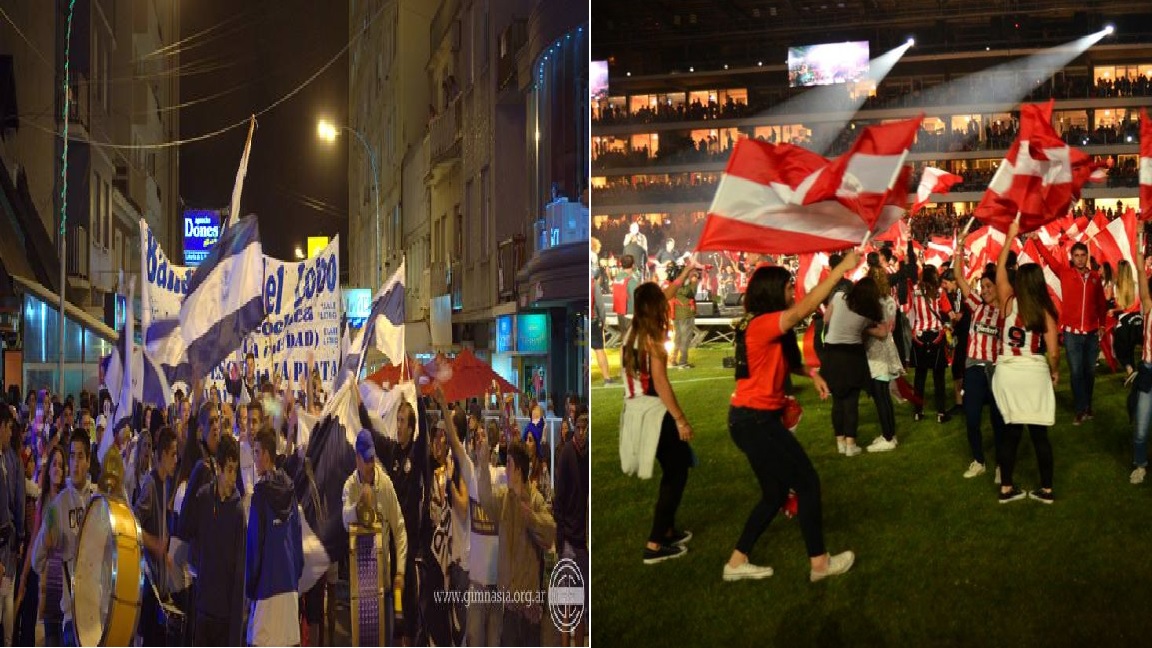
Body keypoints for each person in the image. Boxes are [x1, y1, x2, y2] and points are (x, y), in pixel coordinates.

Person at [723, 252, 858, 583]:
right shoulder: (761, 324)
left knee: (774, 494)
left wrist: (809, 372)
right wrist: (840, 269)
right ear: (774, 292)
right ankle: (820, 564)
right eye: (788, 288)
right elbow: (803, 309)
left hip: (748, 419)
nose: (792, 294)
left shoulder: (762, 327)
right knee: (808, 483)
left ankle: (736, 563)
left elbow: (773, 362)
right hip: (755, 421)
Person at [620, 281, 695, 564]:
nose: (666, 306)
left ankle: (666, 529)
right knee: (677, 471)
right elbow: (661, 382)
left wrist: (685, 273)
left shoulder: (631, 330)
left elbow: (661, 296)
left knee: (673, 468)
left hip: (634, 410)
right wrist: (680, 419)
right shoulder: (652, 335)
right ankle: (654, 543)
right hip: (652, 411)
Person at [992, 221, 1059, 504]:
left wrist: (1009, 238)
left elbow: (998, 268)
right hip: (1033, 371)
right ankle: (1046, 490)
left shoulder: (1007, 300)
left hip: (1007, 371)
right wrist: (1054, 373)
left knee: (1010, 434)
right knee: (1039, 435)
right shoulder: (1045, 312)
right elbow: (1054, 352)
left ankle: (1006, 488)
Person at [475, 435, 556, 646]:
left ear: (518, 469)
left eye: (509, 463)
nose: (505, 468)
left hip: (529, 610)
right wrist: (483, 463)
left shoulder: (536, 499)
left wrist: (530, 516)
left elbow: (550, 532)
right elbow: (485, 498)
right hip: (509, 610)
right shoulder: (504, 498)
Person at [341, 428, 407, 646]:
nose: (371, 465)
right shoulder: (350, 486)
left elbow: (399, 529)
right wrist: (359, 504)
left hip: (384, 587)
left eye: (373, 459)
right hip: (360, 590)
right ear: (357, 458)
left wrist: (400, 571)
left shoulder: (385, 484)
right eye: (366, 460)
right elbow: (344, 520)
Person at [31, 430, 96, 645]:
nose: (75, 463)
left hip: (100, 614)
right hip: (72, 617)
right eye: (72, 456)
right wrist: (46, 542)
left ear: (88, 461)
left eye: (80, 456)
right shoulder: (57, 506)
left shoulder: (99, 499)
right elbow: (36, 560)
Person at [181, 433, 246, 645]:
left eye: (235, 470)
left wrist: (236, 629)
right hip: (203, 609)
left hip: (225, 616)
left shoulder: (237, 511)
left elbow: (239, 572)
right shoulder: (203, 498)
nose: (232, 477)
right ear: (218, 468)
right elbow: (184, 528)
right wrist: (196, 474)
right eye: (228, 470)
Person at [1036, 239, 1107, 424]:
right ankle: (1080, 409)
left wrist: (1102, 324)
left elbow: (1101, 303)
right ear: (1072, 257)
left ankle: (1087, 405)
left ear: (1087, 257)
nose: (1080, 259)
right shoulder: (1065, 273)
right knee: (1076, 372)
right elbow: (1049, 259)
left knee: (1089, 372)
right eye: (1076, 256)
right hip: (1071, 333)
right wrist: (1036, 241)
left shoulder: (1094, 278)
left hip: (1091, 332)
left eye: (1083, 255)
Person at [245, 423, 303, 646]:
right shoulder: (291, 490)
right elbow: (297, 543)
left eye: (257, 452)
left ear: (267, 455)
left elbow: (254, 548)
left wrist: (250, 587)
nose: (255, 457)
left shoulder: (259, 496)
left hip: (266, 591)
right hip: (289, 589)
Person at [822, 275, 890, 456]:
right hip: (853, 355)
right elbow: (882, 332)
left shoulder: (838, 297)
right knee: (851, 401)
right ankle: (851, 445)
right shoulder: (868, 312)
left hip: (832, 353)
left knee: (837, 401)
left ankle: (840, 442)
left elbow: (826, 320)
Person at [953, 249, 1006, 481]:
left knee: (998, 420)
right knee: (972, 417)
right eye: (982, 287)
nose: (983, 291)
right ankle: (979, 460)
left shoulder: (1005, 311)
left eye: (988, 287)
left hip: (996, 370)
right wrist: (959, 251)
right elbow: (958, 276)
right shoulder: (976, 304)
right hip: (974, 368)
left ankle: (1001, 465)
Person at [132, 425, 178, 646]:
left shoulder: (165, 483)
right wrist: (154, 544)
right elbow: (133, 525)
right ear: (160, 457)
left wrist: (167, 552)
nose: (176, 460)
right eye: (172, 455)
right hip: (148, 586)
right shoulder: (150, 485)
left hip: (160, 585)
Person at [16, 444, 64, 646]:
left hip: (64, 584)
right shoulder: (43, 500)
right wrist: (25, 577)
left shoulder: (67, 500)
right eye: (54, 464)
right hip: (45, 580)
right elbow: (34, 539)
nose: (57, 469)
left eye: (61, 465)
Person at [553, 412, 589, 647]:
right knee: (568, 608)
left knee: (581, 609)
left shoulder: (586, 454)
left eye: (585, 427)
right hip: (568, 539)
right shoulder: (567, 453)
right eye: (579, 427)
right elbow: (560, 498)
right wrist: (562, 535)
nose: (582, 431)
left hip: (581, 540)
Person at [863, 266, 903, 453]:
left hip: (877, 351)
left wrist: (863, 329)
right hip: (887, 347)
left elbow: (881, 330)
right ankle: (890, 433)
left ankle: (888, 437)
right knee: (884, 395)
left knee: (881, 395)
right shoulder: (890, 300)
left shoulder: (875, 302)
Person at [909, 265, 953, 423]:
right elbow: (949, 312)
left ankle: (917, 412)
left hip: (919, 337)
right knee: (938, 376)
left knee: (919, 377)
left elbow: (908, 310)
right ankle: (941, 413)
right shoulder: (939, 291)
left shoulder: (914, 290)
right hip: (936, 336)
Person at [1128, 240, 1152, 484]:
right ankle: (1140, 464)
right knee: (1141, 425)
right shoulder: (1149, 306)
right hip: (1148, 371)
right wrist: (1138, 243)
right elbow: (1140, 273)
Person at [0, 407, 24, 645]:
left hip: (7, 544)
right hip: (4, 546)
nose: (10, 433)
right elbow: (16, 501)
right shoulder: (10, 459)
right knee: (4, 607)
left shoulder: (9, 459)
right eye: (8, 428)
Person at [670, 263, 701, 369]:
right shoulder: (682, 285)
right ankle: (683, 361)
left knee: (678, 338)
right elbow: (690, 293)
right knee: (685, 338)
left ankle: (673, 359)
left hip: (678, 314)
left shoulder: (673, 283)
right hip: (685, 314)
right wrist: (693, 283)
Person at [612, 255, 641, 342]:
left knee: (624, 339)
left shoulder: (617, 278)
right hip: (630, 313)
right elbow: (636, 297)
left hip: (620, 312)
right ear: (633, 265)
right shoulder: (631, 280)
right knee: (632, 341)